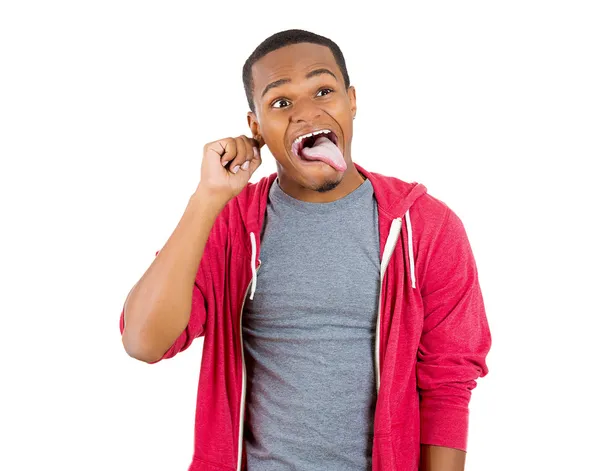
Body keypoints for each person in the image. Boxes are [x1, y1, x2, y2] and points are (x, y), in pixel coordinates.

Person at [119, 29, 492, 471]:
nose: (306, 112)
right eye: (281, 102)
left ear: (351, 101)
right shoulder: (231, 224)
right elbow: (143, 341)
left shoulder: (425, 226)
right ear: (255, 126)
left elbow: (449, 383)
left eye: (323, 90)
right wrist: (206, 199)